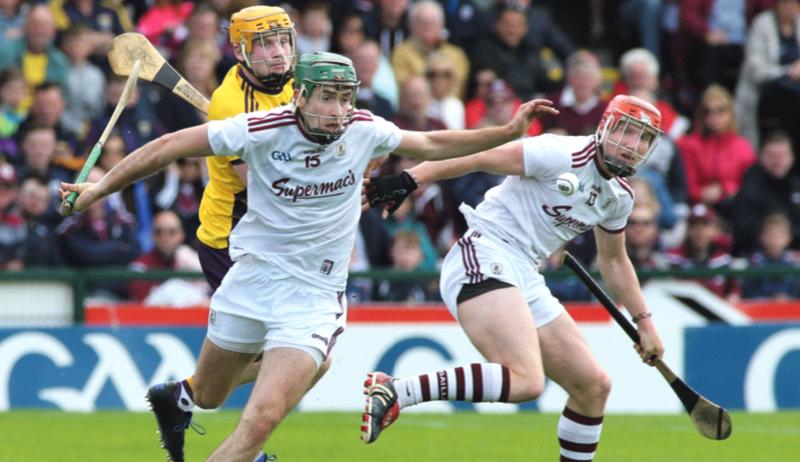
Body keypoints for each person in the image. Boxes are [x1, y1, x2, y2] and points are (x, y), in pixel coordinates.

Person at [60, 51, 553, 462]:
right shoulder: (257, 129)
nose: (338, 110)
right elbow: (168, 146)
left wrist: (507, 131)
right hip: (250, 280)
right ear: (301, 95)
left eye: (345, 98)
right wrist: (99, 189)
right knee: (209, 394)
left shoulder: (364, 128)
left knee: (261, 420)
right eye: (327, 98)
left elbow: (433, 142)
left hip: (313, 297)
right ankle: (181, 398)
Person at [361, 94, 666, 462]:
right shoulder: (558, 153)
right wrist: (412, 178)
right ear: (605, 127)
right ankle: (397, 390)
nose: (633, 145)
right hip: (485, 250)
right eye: (626, 132)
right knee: (526, 381)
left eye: (644, 139)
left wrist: (644, 322)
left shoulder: (619, 196)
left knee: (593, 386)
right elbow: (477, 158)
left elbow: (615, 261)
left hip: (525, 273)